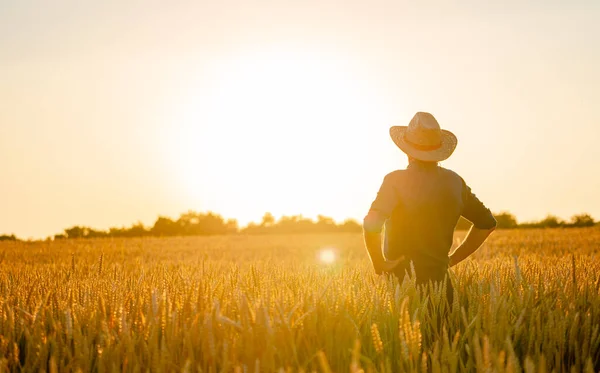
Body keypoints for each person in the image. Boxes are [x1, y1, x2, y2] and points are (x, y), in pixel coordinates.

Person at [363, 112, 497, 303]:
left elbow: (372, 223)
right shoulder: (455, 182)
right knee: (444, 333)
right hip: (443, 289)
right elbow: (487, 224)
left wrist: (378, 262)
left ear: (407, 150)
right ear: (439, 150)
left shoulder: (395, 180)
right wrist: (451, 260)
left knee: (401, 334)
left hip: (402, 289)